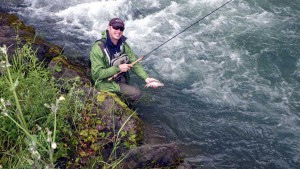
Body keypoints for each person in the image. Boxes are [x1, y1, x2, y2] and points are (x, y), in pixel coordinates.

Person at [90, 18, 163, 104]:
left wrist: (146, 78)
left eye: (121, 29)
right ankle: (127, 105)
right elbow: (97, 74)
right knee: (137, 93)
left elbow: (134, 63)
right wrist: (118, 68)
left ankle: (124, 98)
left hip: (119, 78)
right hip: (104, 82)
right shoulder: (98, 48)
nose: (118, 31)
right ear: (109, 28)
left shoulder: (123, 45)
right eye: (115, 27)